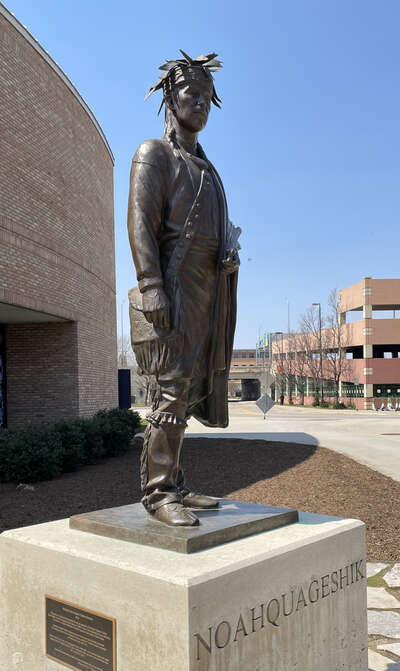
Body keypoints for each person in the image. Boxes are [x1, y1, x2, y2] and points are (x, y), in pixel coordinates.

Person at [128, 51, 240, 527]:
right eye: (190, 93)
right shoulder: (153, 154)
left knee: (191, 393)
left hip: (208, 294)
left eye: (206, 96)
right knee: (170, 394)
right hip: (173, 291)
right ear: (170, 99)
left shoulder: (209, 170)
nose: (199, 103)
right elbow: (140, 224)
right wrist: (151, 286)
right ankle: (157, 494)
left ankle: (176, 481)